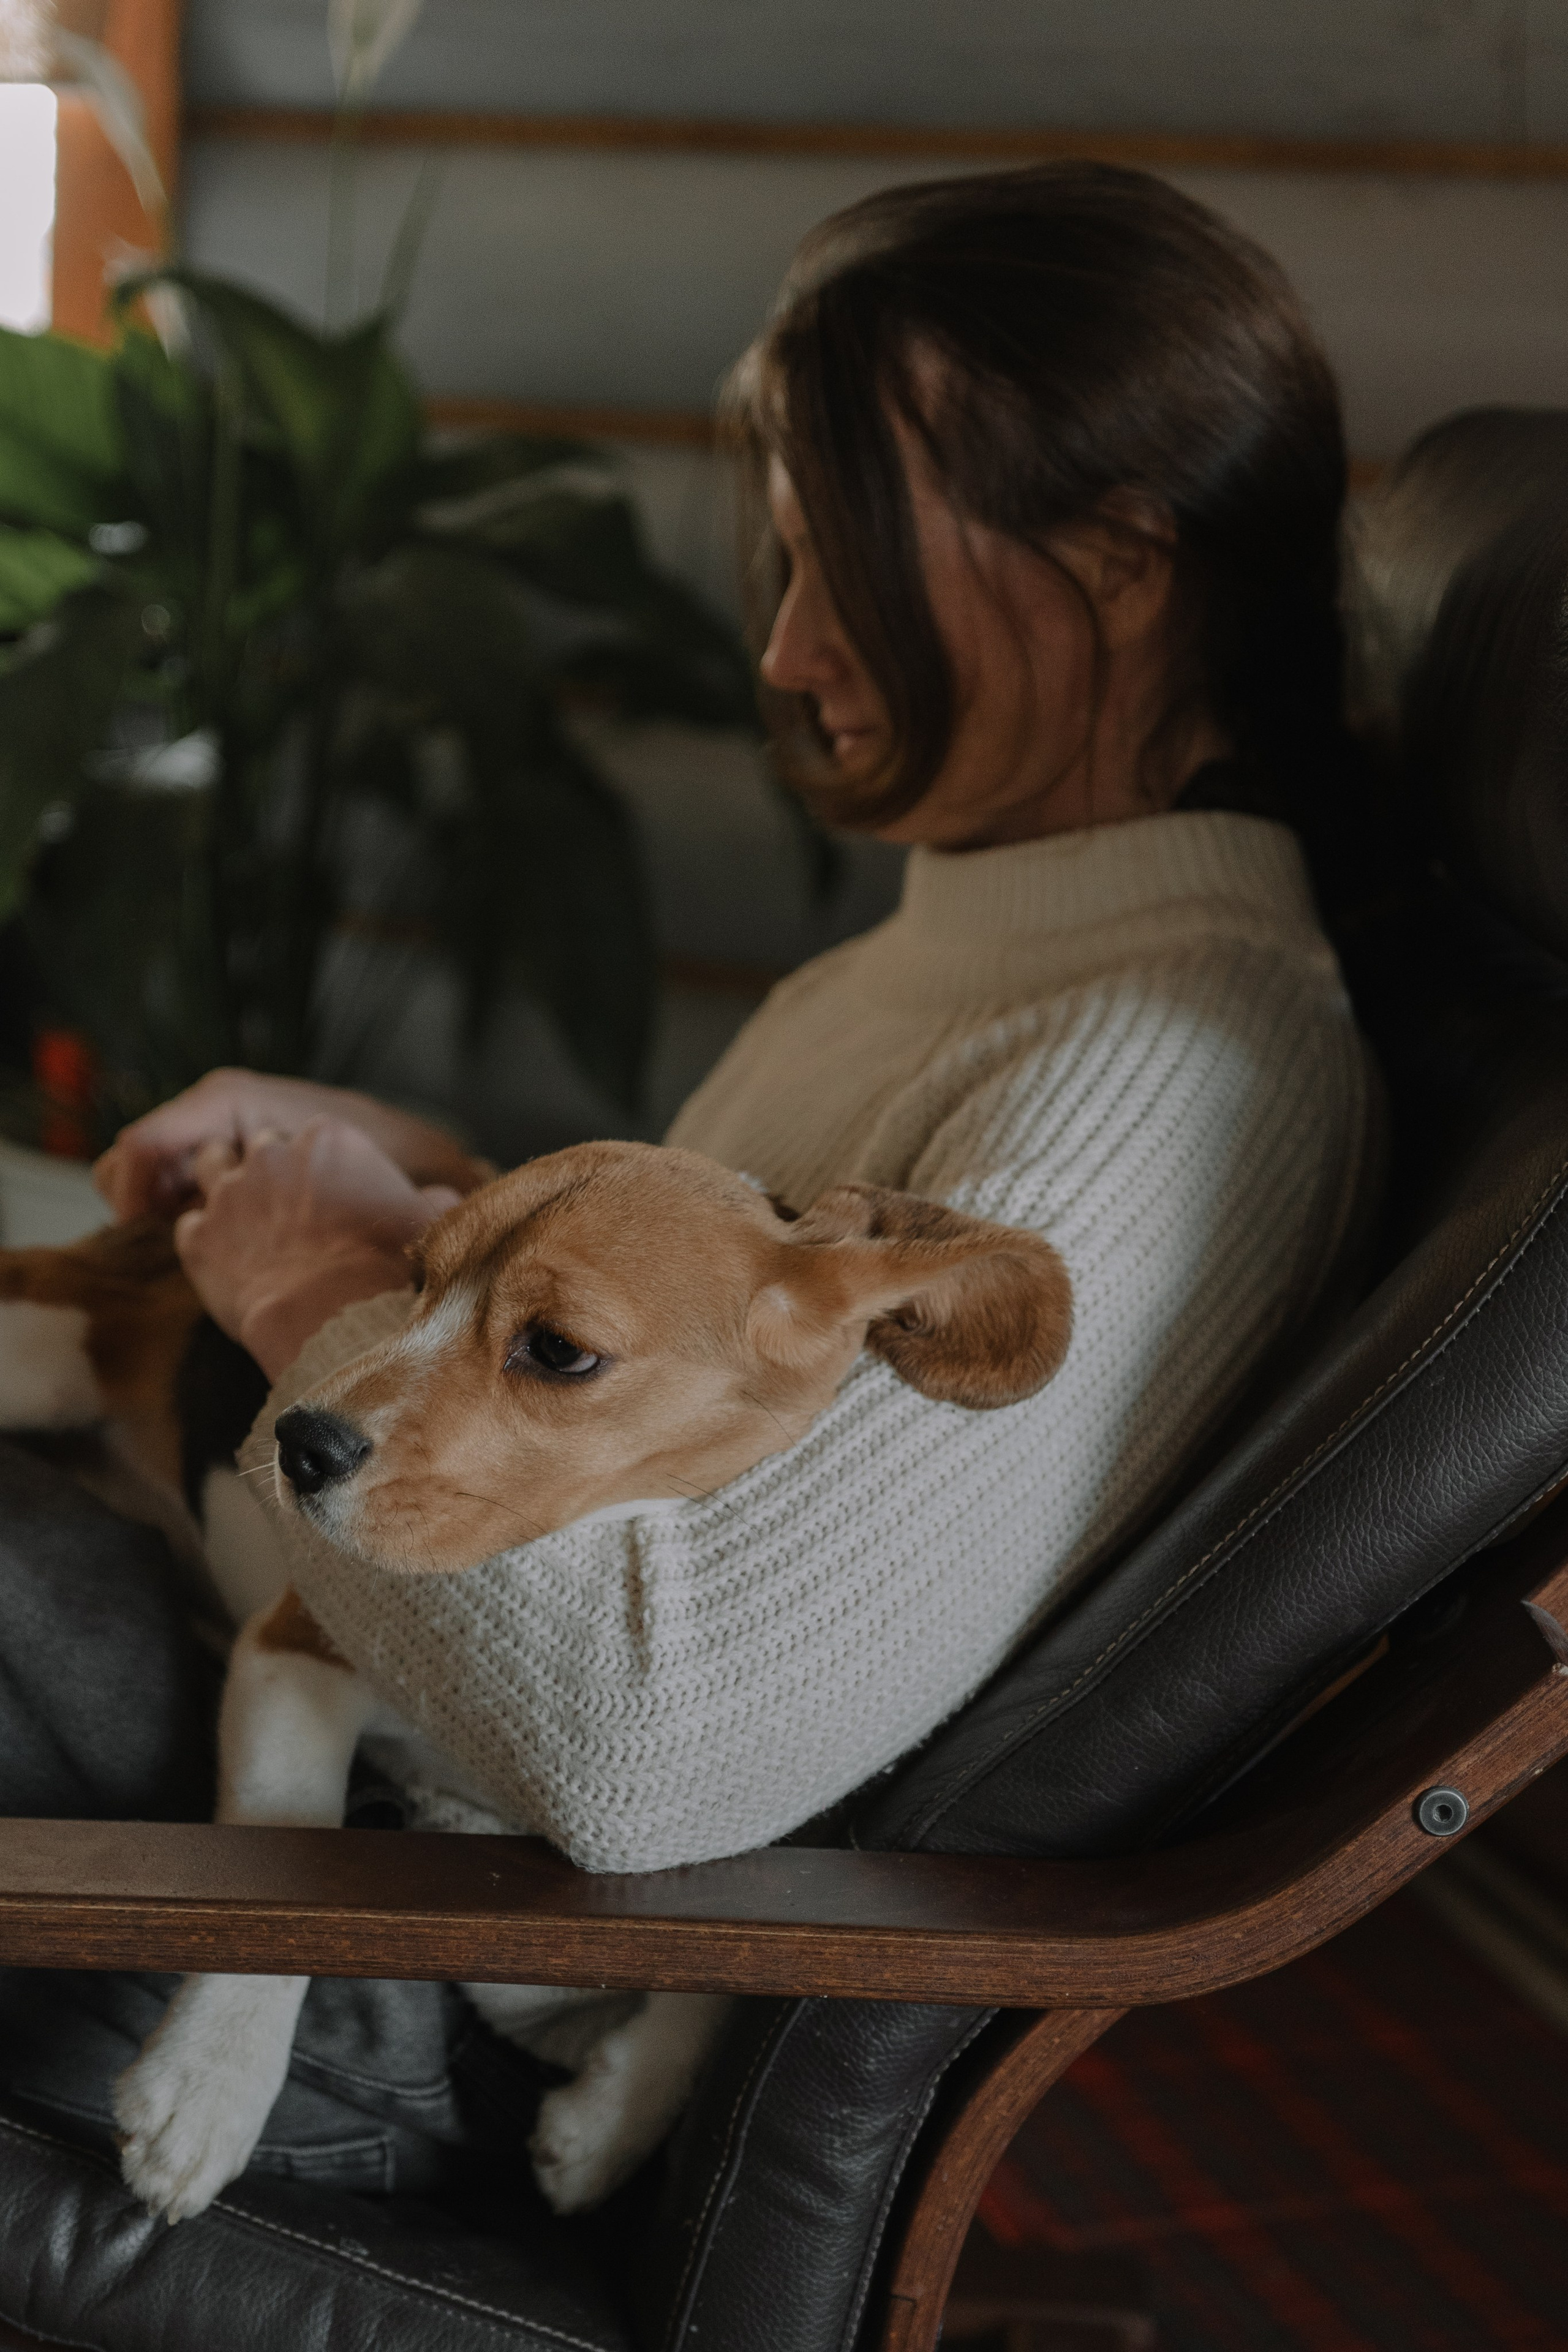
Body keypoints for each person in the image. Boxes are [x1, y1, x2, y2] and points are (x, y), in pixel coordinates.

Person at [2, 162, 1373, 2187]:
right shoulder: (989, 940)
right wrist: (423, 1205)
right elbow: (676, 1372)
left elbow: (660, 1755)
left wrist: (314, 1311)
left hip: (432, 1950)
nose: (795, 654)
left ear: (1117, 567)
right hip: (349, 1727)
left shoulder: (1152, 1074)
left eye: (854, 574)